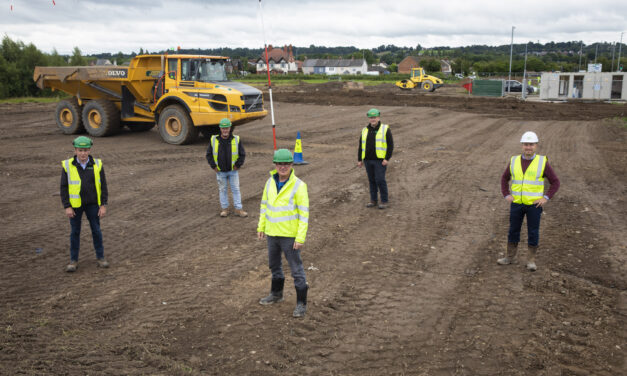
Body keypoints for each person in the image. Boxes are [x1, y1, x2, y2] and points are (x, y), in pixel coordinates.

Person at [257, 149, 310, 318]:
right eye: (280, 164)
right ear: (275, 164)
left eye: (286, 163)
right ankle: (276, 294)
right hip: (272, 233)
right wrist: (261, 227)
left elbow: (304, 214)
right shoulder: (269, 182)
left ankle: (301, 303)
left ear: (291, 165)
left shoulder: (299, 186)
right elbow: (264, 206)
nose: (283, 167)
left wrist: (300, 237)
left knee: (296, 270)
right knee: (274, 265)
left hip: (289, 236)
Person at [498, 131, 560, 271]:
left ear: (536, 146)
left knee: (533, 231)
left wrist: (546, 197)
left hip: (534, 205)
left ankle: (531, 260)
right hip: (517, 204)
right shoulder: (514, 161)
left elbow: (555, 182)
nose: (528, 147)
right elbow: (504, 178)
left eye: (531, 144)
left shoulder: (542, 162)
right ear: (522, 146)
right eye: (526, 144)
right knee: (513, 230)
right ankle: (509, 257)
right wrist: (506, 194)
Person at [60, 136, 109, 272]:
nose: (83, 153)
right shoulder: (68, 165)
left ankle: (101, 258)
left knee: (96, 231)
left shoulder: (97, 165)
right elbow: (63, 188)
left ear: (89, 150)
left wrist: (103, 204)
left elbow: (103, 186)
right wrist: (67, 206)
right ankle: (73, 261)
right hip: (75, 206)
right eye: (80, 150)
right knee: (75, 232)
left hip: (93, 204)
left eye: (86, 150)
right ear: (75, 150)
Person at [205, 118, 248, 218]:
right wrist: (213, 166)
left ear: (230, 128)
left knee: (236, 190)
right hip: (220, 172)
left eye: (227, 128)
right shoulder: (214, 140)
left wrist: (237, 165)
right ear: (220, 128)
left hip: (233, 171)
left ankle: (238, 209)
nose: (225, 130)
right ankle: (225, 209)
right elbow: (209, 154)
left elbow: (242, 154)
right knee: (222, 190)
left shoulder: (236, 139)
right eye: (223, 128)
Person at [357, 108, 394, 209]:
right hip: (367, 160)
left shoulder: (385, 129)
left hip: (380, 160)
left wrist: (387, 158)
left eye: (374, 117)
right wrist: (359, 160)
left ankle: (384, 201)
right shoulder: (365, 130)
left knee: (380, 180)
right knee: (371, 180)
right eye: (371, 117)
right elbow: (361, 146)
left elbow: (390, 145)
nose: (373, 119)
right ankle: (373, 200)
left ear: (378, 117)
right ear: (369, 118)